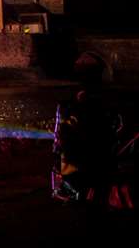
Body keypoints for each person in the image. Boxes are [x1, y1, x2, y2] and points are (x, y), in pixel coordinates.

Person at [53, 52, 124, 206]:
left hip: (78, 160)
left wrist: (57, 153)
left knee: (83, 197)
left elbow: (60, 134)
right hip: (98, 158)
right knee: (98, 195)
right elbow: (117, 127)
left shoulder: (67, 104)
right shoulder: (106, 103)